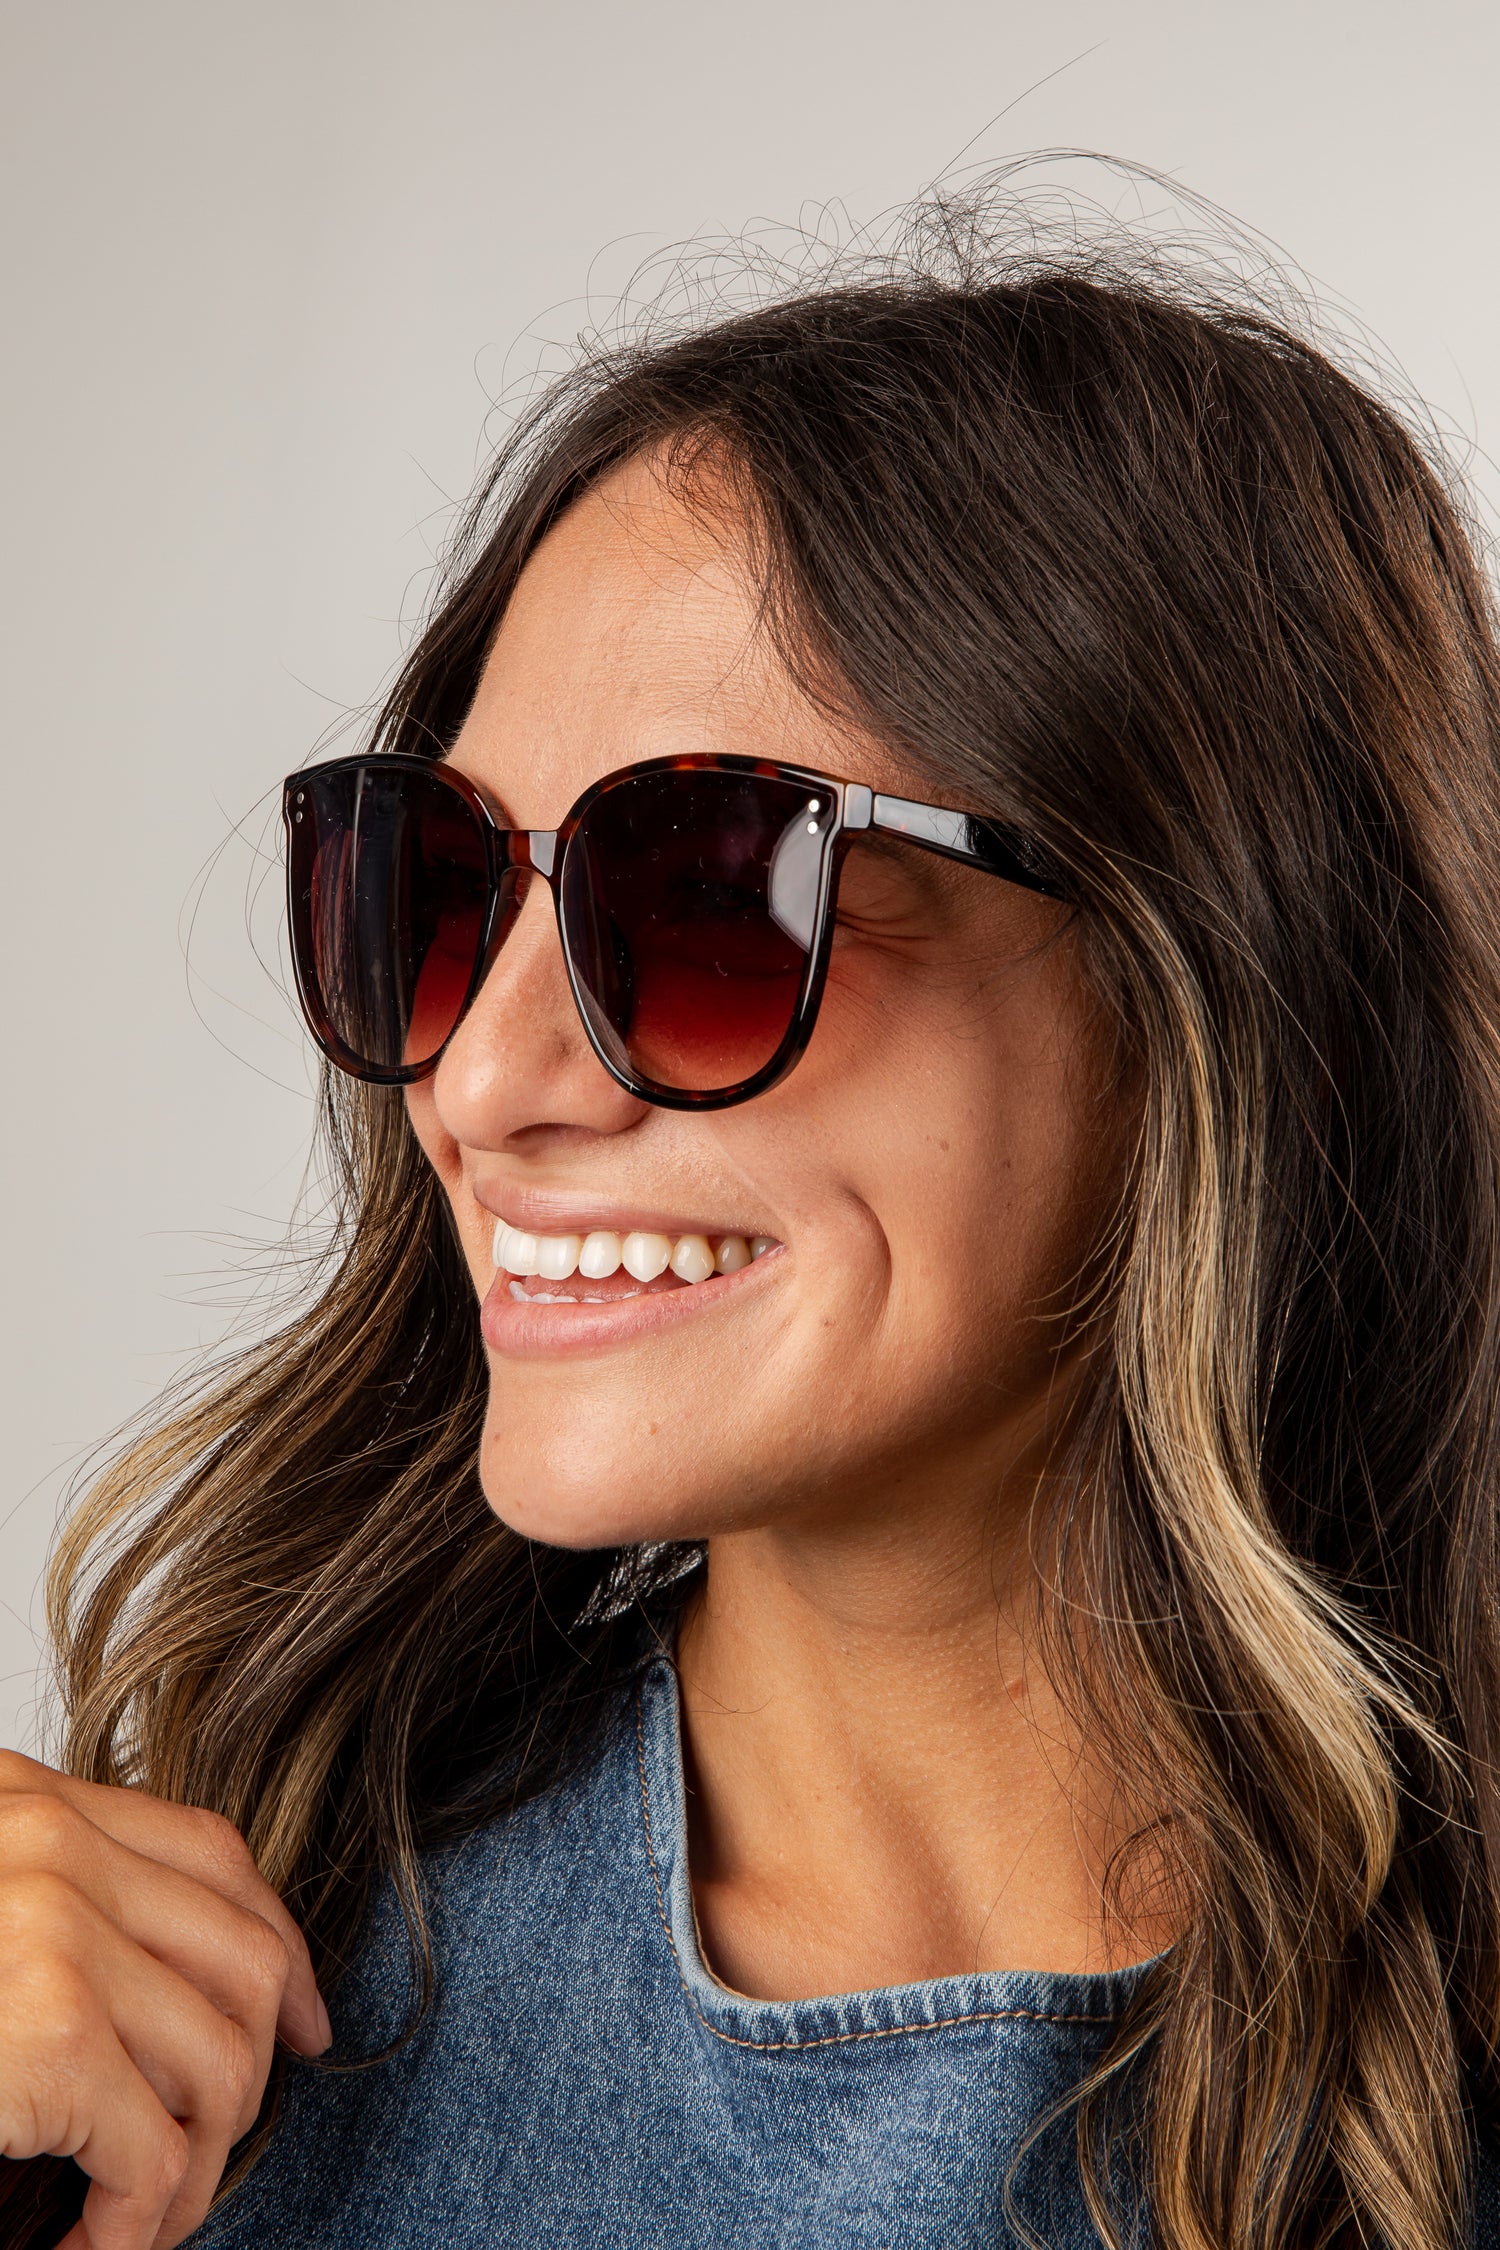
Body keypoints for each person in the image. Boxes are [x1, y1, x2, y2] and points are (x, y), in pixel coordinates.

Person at [3, 211, 1500, 2250]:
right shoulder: (156, 2056)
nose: (481, 1083)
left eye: (707, 892)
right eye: (443, 886)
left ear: (1238, 998)